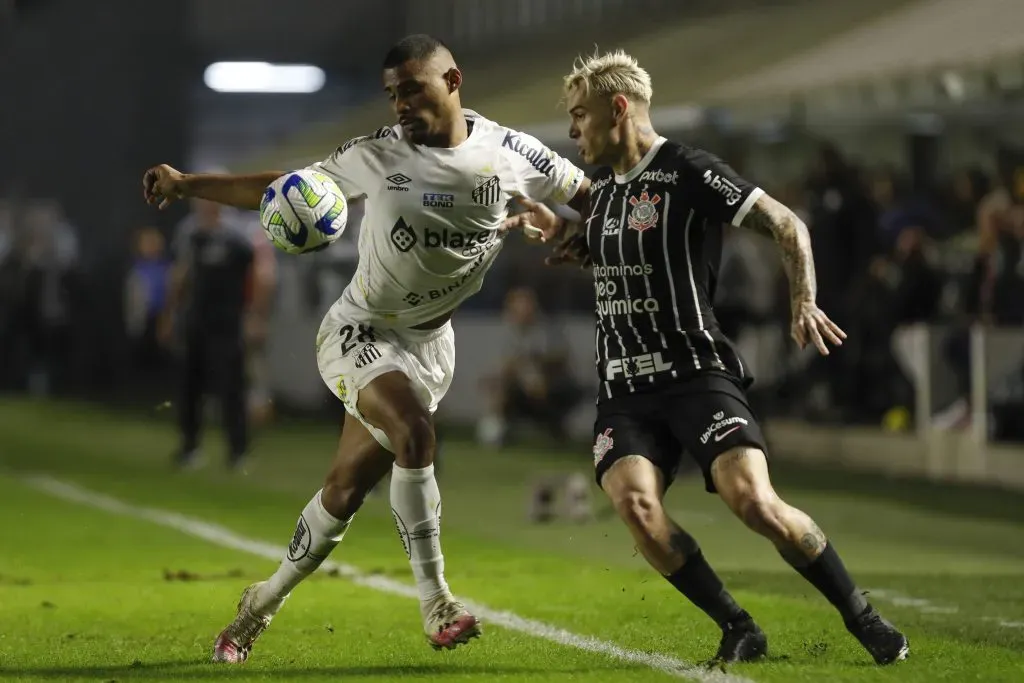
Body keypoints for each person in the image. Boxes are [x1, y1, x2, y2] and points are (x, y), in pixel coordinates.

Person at [142, 34, 588, 662]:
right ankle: (438, 605)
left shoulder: (514, 153)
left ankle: (257, 606)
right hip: (362, 330)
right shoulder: (379, 155)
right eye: (391, 93)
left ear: (453, 81)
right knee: (414, 432)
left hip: (431, 346)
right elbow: (285, 186)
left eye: (412, 88)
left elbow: (589, 201)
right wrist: (189, 185)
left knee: (343, 492)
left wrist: (576, 231)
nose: (400, 104)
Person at [507, 50, 908, 666]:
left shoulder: (686, 169)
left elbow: (786, 223)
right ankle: (738, 624)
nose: (572, 130)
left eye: (579, 115)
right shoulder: (604, 196)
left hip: (696, 373)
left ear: (618, 109)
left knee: (753, 501)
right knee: (637, 508)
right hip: (624, 391)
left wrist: (804, 301)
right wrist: (567, 237)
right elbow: (621, 257)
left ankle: (863, 617)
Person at [160, 198, 269, 470]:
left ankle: (238, 451)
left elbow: (261, 275)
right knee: (189, 385)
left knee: (231, 387)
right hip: (196, 318)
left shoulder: (241, 233)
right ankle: (189, 447)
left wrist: (256, 315)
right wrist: (170, 313)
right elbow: (180, 274)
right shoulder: (190, 231)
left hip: (229, 321)